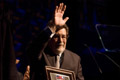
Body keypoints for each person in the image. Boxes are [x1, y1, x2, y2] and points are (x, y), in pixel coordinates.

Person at [27, 3, 84, 80]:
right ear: (50, 38)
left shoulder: (75, 59)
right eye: (56, 37)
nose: (61, 40)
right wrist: (53, 26)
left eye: (63, 37)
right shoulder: (41, 53)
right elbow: (35, 48)